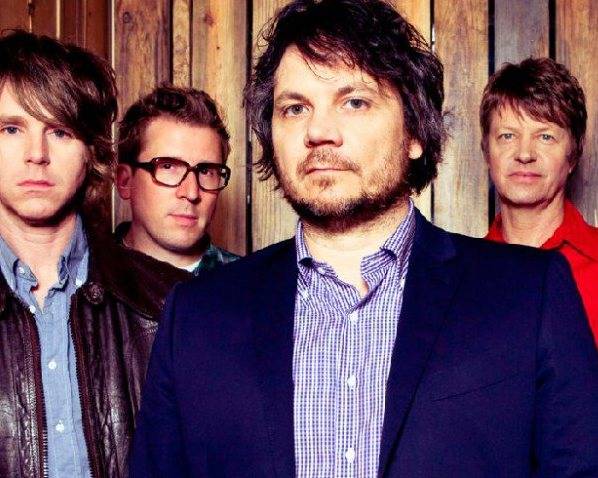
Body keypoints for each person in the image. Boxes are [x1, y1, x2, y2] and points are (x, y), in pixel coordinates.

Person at [130, 1, 598, 476]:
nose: (318, 131)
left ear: (415, 131)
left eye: (354, 101)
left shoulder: (530, 295)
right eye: (295, 108)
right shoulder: (196, 318)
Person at [0, 30, 188, 477]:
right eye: (11, 129)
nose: (36, 154)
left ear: (92, 152)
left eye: (60, 131)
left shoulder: (172, 303)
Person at [482, 57, 598, 343]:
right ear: (487, 151)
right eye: (507, 136)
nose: (525, 154)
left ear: (573, 155)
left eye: (545, 137)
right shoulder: (462, 277)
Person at [116, 84, 239, 273]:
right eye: (168, 166)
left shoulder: (251, 284)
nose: (191, 193)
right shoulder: (85, 274)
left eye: (206, 171)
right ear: (125, 182)